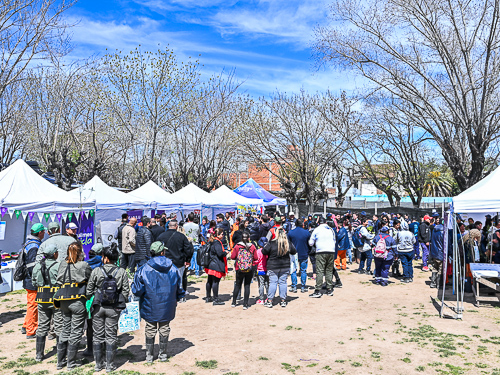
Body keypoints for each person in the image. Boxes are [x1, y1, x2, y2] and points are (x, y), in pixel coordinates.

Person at [132, 242, 184, 363]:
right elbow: (179, 287)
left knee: (150, 328)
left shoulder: (143, 269)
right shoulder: (173, 268)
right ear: (162, 252)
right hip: (168, 304)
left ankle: (149, 356)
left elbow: (137, 290)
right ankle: (163, 355)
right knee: (165, 328)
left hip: (149, 304)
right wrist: (179, 296)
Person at [87, 243, 130, 372]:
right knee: (111, 336)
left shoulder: (96, 271)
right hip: (113, 308)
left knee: (97, 336)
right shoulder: (121, 272)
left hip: (98, 307)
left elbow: (88, 290)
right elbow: (126, 292)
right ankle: (110, 365)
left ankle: (98, 365)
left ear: (105, 258)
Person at [55, 242, 92, 370]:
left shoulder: (62, 264)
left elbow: (58, 280)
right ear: (80, 251)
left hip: (63, 299)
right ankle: (71, 362)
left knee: (65, 328)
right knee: (76, 331)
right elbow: (90, 279)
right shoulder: (83, 265)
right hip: (77, 300)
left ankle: (60, 362)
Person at [31, 243, 60, 361]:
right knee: (59, 325)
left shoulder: (37, 266)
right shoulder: (58, 266)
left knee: (42, 325)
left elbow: (34, 283)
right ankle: (61, 353)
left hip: (41, 298)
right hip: (56, 298)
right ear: (54, 254)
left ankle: (39, 354)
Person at [157, 220, 193, 302]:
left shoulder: (161, 236)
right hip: (179, 261)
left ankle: (168, 297)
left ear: (168, 226)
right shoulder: (181, 236)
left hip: (165, 262)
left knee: (166, 280)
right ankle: (180, 297)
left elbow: (157, 248)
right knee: (179, 280)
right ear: (176, 226)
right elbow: (188, 249)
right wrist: (187, 260)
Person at [262, 226, 297, 307]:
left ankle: (270, 301)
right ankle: (283, 300)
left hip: (273, 266)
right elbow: (294, 251)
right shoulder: (287, 243)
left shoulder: (272, 243)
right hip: (285, 266)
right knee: (283, 283)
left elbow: (264, 251)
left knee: (273, 283)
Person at [23, 223, 46, 339]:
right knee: (33, 305)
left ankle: (26, 325)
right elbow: (32, 266)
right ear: (40, 232)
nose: (45, 233)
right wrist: (38, 278)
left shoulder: (30, 243)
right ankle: (31, 330)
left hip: (28, 279)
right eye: (43, 232)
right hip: (31, 280)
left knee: (31, 304)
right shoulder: (34, 246)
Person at [308, 218, 339, 298]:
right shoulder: (331, 229)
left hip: (321, 251)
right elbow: (334, 240)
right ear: (326, 222)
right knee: (329, 270)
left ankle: (318, 290)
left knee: (320, 271)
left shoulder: (317, 230)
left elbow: (311, 243)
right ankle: (329, 289)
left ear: (319, 223)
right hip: (331, 251)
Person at [231, 232, 258, 309]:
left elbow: (233, 257)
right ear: (249, 238)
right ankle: (245, 304)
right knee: (247, 285)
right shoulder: (252, 246)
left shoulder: (237, 246)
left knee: (238, 285)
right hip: (249, 268)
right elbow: (256, 257)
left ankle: (233, 302)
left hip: (239, 268)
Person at [204, 228, 227, 305]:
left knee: (209, 281)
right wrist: (225, 252)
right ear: (218, 235)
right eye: (222, 234)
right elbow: (220, 254)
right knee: (215, 281)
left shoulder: (211, 241)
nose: (223, 235)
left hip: (210, 264)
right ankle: (216, 299)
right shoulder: (217, 243)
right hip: (215, 264)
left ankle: (208, 297)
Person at [287, 219, 311, 293]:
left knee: (293, 270)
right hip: (304, 253)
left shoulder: (291, 233)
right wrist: (308, 251)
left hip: (293, 254)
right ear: (302, 224)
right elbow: (309, 244)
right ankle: (303, 287)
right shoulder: (307, 233)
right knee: (303, 270)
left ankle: (294, 286)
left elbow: (288, 243)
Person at [429, 218, 445, 289]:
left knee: (435, 267)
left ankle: (433, 283)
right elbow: (446, 243)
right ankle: (439, 285)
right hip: (441, 253)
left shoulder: (434, 230)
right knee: (441, 269)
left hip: (434, 252)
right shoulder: (443, 232)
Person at [255, 237, 269, 304]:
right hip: (267, 269)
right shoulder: (268, 251)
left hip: (260, 270)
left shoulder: (258, 251)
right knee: (267, 284)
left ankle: (261, 299)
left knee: (261, 284)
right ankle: (268, 297)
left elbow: (256, 261)